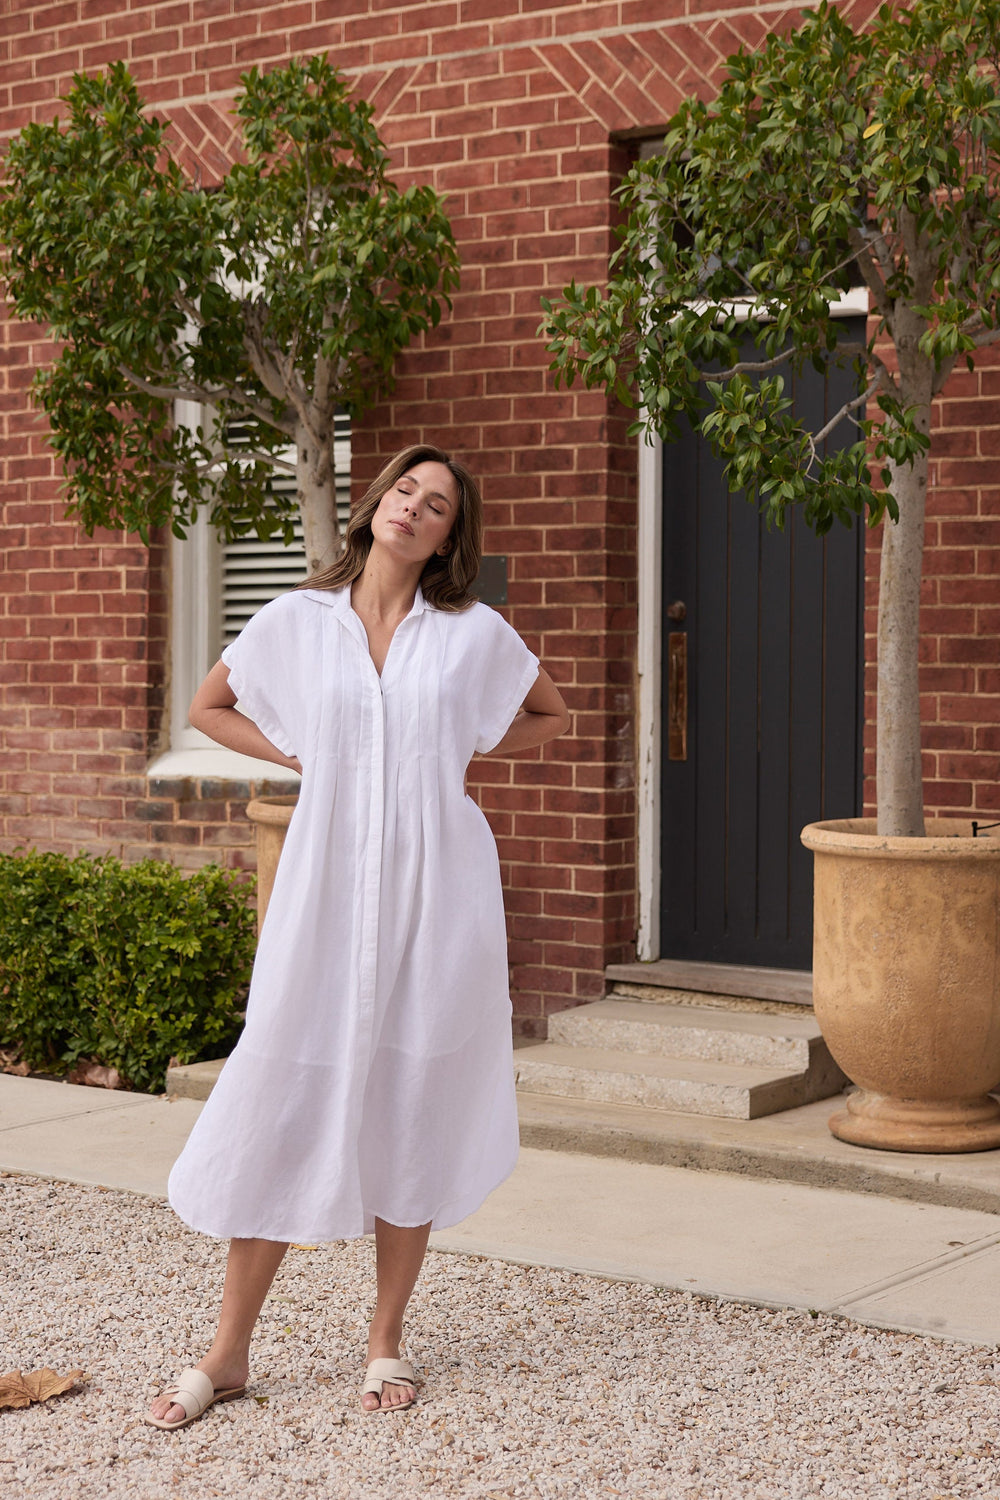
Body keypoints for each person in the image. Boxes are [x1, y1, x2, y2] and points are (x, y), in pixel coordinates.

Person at [146, 444, 570, 1429]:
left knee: (413, 1104)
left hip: (439, 894)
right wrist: (297, 751)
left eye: (437, 506)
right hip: (326, 892)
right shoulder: (298, 623)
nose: (414, 510)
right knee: (281, 1094)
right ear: (377, 503)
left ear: (448, 537)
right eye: (405, 492)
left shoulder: (470, 635)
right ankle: (229, 1350)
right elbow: (208, 705)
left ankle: (385, 1342)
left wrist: (464, 749)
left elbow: (549, 712)